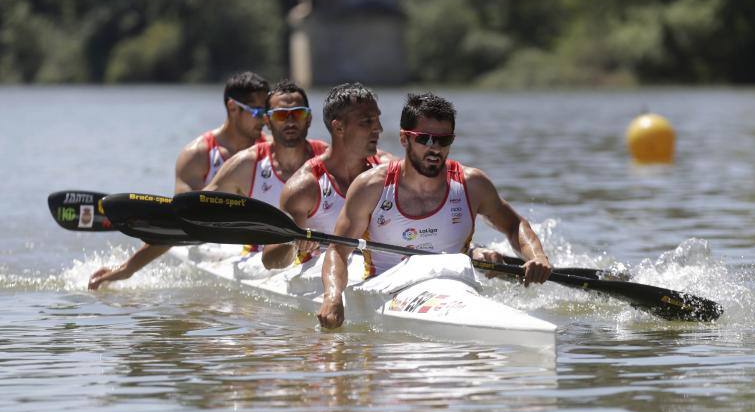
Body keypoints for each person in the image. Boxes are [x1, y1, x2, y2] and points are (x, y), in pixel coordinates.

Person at [317, 92, 552, 329]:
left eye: (444, 140)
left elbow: (514, 225)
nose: (435, 149)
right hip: (388, 287)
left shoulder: (472, 184)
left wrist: (537, 256)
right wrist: (333, 296)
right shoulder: (371, 187)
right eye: (425, 139)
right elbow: (338, 251)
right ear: (404, 139)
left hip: (454, 286)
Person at [88, 71, 271, 289]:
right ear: (233, 108)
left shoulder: (273, 150)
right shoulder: (197, 156)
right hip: (209, 244)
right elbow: (181, 223)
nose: (265, 120)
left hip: (259, 242)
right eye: (258, 112)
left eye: (268, 112)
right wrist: (127, 269)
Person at [261, 82, 391, 270]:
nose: (379, 128)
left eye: (377, 120)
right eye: (367, 122)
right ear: (338, 128)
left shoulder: (386, 171)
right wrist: (294, 241)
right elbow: (270, 260)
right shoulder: (305, 186)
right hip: (322, 276)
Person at [203, 79, 327, 207]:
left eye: (298, 113)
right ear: (267, 121)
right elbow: (201, 203)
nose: (290, 121)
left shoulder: (330, 160)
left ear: (309, 118)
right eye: (280, 115)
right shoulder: (246, 164)